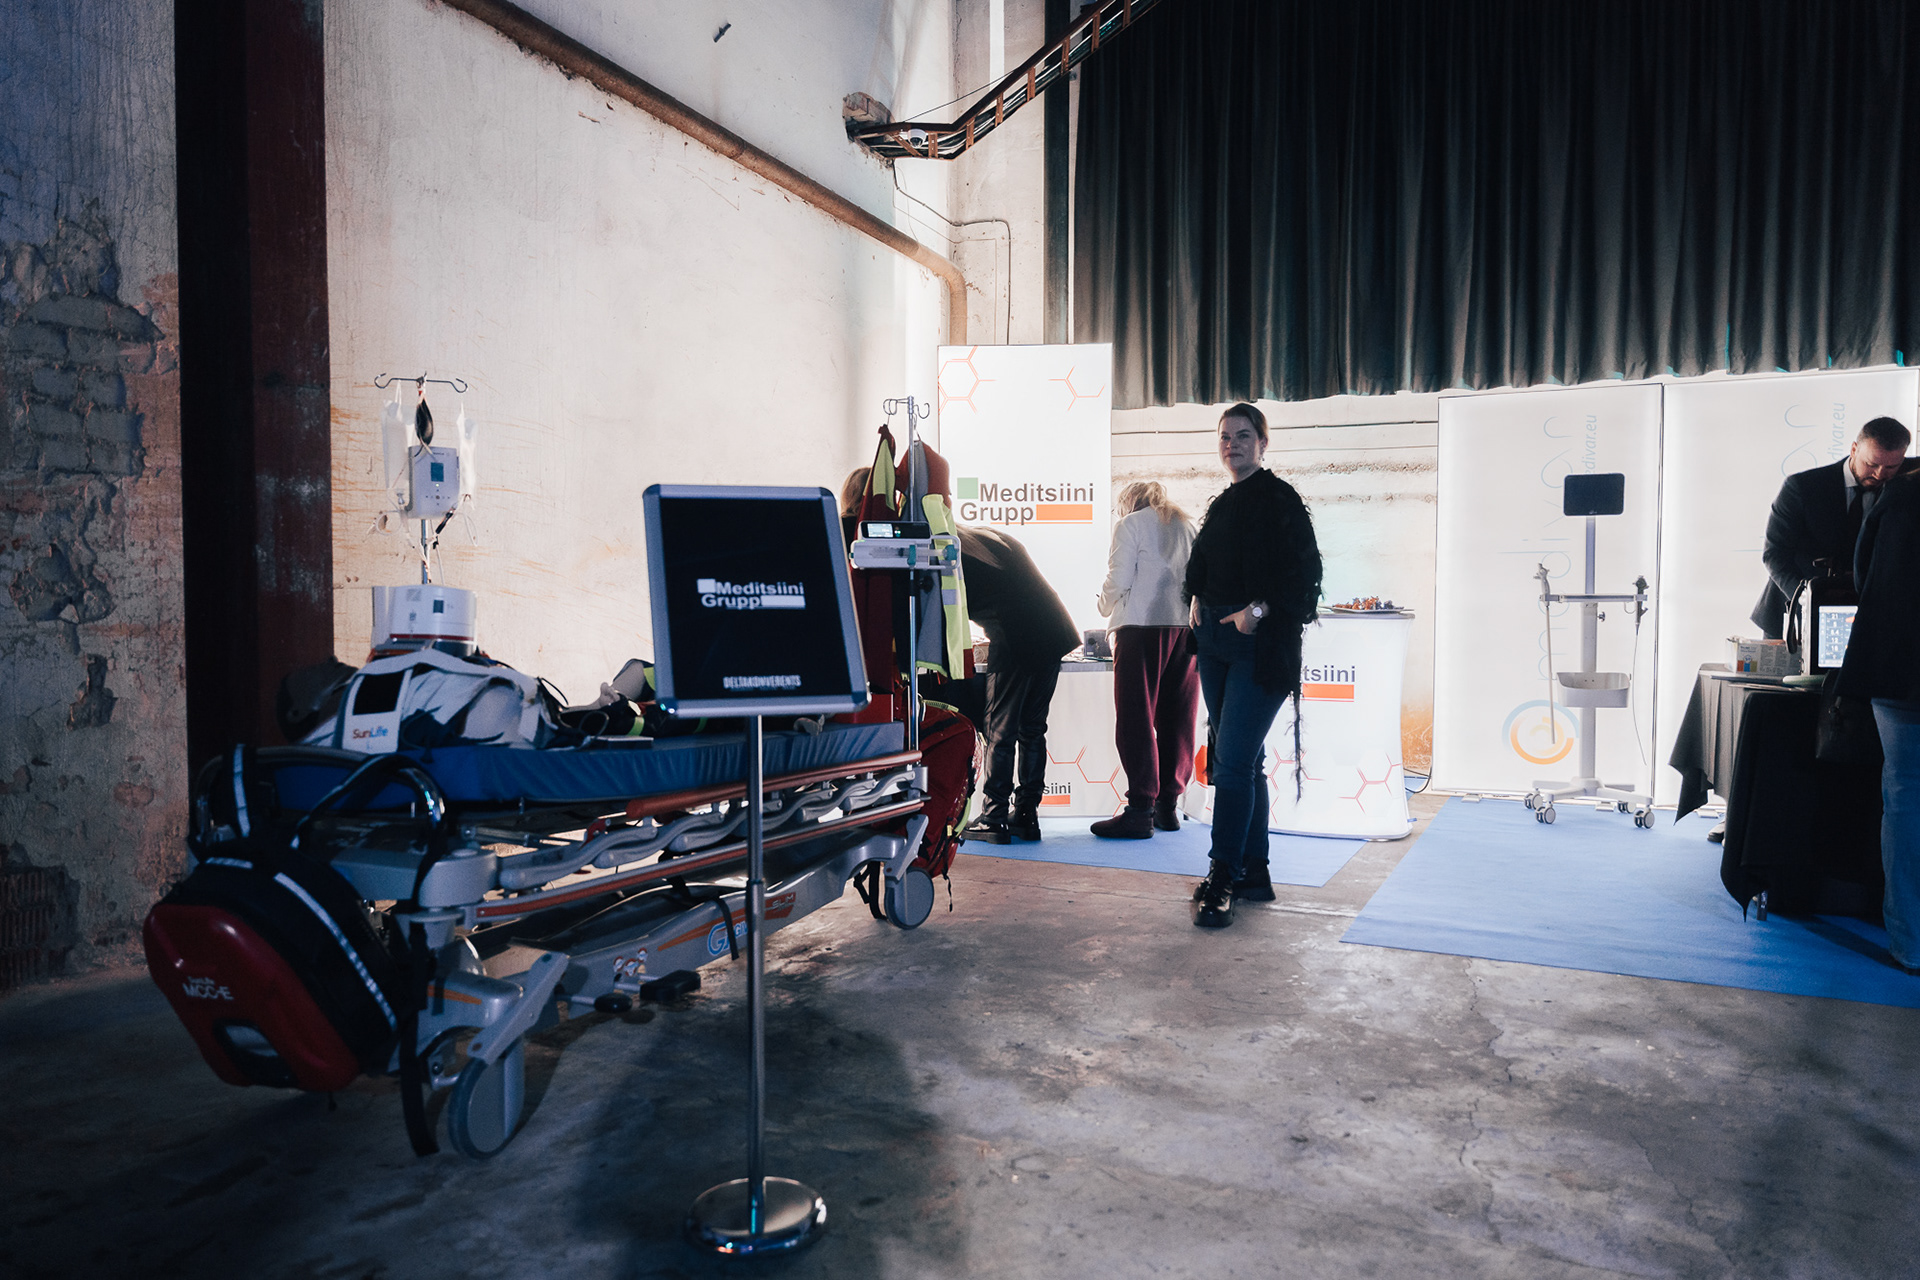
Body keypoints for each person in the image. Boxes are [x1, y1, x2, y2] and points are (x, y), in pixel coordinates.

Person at [1182, 403, 1322, 928]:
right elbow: (1204, 567)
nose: (1232, 445)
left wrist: (1256, 612)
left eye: (1243, 436)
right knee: (1245, 761)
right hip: (1214, 643)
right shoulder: (1223, 502)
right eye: (1225, 437)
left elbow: (1304, 580)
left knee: (1233, 763)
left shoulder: (1279, 499)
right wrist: (1195, 597)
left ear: (1263, 443)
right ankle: (1254, 873)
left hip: (1259, 648)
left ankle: (1222, 876)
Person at [1835, 466, 1920, 974]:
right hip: (1898, 672)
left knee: (1906, 800)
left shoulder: (1901, 494)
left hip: (1897, 668)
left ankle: (1911, 944)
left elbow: (1863, 571)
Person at [956, 525, 1080, 844]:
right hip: (1054, 629)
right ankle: (1026, 814)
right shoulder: (991, 537)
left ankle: (993, 816)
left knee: (999, 730)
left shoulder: (950, 552)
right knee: (1032, 727)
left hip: (1015, 635)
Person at [1090, 481, 1200, 839]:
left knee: (1135, 717)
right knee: (1178, 717)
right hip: (1185, 628)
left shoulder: (1130, 524)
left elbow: (1119, 578)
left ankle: (1140, 810)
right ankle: (1168, 807)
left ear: (1128, 502)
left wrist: (1102, 605)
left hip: (1139, 627)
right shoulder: (1187, 525)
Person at [1751, 417, 1913, 638]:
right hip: (1794, 612)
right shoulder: (1802, 488)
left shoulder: (1906, 482)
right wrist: (1807, 599)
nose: (1879, 474)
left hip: (1868, 616)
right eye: (1871, 464)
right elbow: (1774, 555)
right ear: (1854, 449)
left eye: (1891, 467)